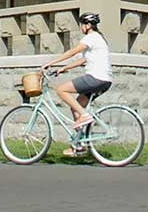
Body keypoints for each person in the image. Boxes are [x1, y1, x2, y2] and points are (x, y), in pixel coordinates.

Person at [40, 12, 112, 156]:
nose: (81, 28)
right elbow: (82, 60)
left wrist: (50, 63)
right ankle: (79, 145)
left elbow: (72, 52)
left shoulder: (91, 38)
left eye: (81, 25)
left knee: (61, 90)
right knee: (76, 106)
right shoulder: (98, 39)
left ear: (87, 25)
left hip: (95, 78)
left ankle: (85, 116)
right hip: (104, 80)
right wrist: (63, 69)